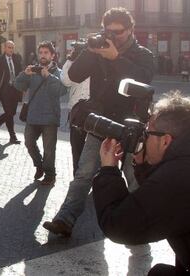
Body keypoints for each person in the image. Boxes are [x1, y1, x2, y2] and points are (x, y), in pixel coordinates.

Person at [43, 7, 154, 237]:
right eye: (108, 31)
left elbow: (143, 80)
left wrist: (116, 58)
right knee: (84, 173)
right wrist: (90, 51)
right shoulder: (98, 51)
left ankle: (143, 226)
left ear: (131, 29)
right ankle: (65, 219)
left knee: (133, 179)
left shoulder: (143, 54)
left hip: (132, 126)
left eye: (118, 32)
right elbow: (73, 77)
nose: (112, 36)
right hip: (101, 123)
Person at [93, 91, 190, 275]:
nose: (143, 138)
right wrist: (142, 164)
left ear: (165, 141)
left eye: (147, 133)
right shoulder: (182, 164)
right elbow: (158, 202)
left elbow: (119, 225)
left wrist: (108, 170)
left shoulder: (177, 177)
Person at [14, 41, 67, 186]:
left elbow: (61, 91)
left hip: (50, 117)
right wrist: (25, 74)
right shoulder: (33, 71)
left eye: (46, 53)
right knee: (29, 142)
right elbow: (18, 85)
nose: (43, 56)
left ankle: (50, 175)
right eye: (41, 53)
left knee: (49, 150)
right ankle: (39, 166)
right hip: (33, 115)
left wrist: (48, 76)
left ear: (52, 55)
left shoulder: (59, 73)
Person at [60, 47, 90, 175]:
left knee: (93, 147)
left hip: (96, 109)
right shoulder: (74, 63)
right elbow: (66, 81)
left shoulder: (98, 60)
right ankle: (77, 175)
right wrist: (71, 59)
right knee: (77, 146)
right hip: (76, 109)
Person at [0, 40, 23, 144]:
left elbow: (20, 74)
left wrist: (23, 87)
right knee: (9, 112)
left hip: (15, 90)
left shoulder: (17, 58)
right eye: (9, 47)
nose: (11, 49)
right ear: (4, 48)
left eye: (12, 47)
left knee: (12, 113)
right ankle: (12, 136)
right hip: (4, 91)